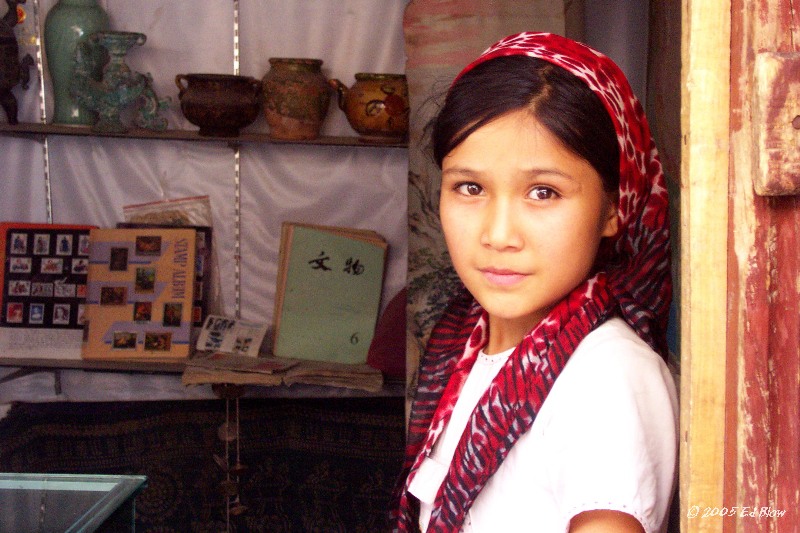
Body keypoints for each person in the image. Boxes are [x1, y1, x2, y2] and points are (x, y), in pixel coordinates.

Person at [392, 32, 678, 532]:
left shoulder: (605, 378)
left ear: (615, 207)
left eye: (543, 192)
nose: (499, 234)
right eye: (470, 187)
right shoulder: (463, 344)